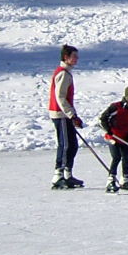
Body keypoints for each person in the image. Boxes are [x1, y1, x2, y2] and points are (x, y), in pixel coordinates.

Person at [48, 45, 84, 190]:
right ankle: (58, 175)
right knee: (65, 144)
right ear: (66, 57)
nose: (77, 59)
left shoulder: (67, 73)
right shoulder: (63, 73)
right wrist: (71, 115)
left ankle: (68, 174)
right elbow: (60, 97)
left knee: (73, 144)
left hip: (65, 113)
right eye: (74, 56)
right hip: (60, 114)